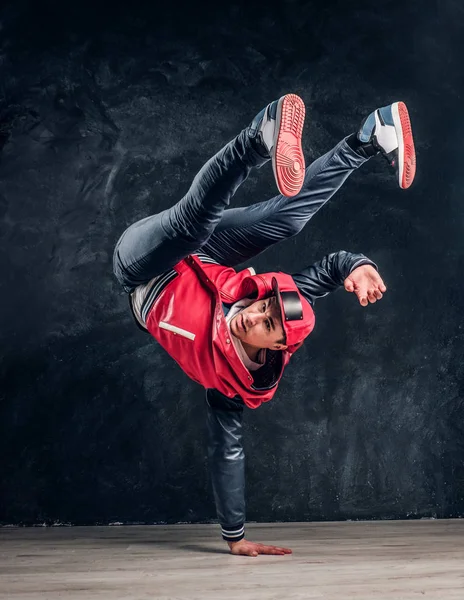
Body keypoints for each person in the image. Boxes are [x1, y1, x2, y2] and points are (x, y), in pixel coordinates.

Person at [113, 93, 416, 557]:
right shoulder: (263, 301)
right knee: (277, 219)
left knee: (195, 226)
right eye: (265, 306)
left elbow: (227, 452)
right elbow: (329, 270)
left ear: (275, 347)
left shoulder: (232, 386)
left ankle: (372, 131)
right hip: (190, 251)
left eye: (267, 322)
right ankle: (320, 137)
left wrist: (234, 537)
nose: (256, 312)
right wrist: (357, 265)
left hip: (139, 275)